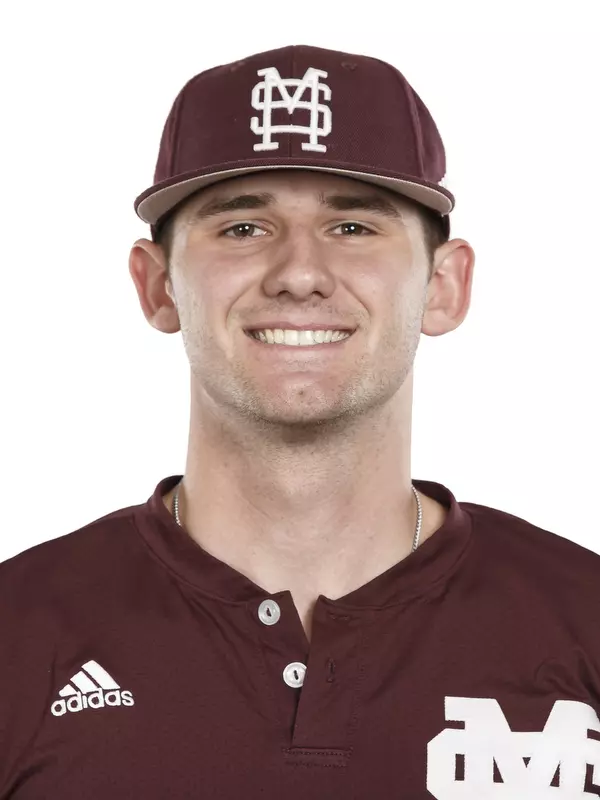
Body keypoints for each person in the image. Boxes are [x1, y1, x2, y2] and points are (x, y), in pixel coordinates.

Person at [1, 44, 599, 799]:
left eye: (353, 228)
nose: (299, 275)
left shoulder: (583, 621)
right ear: (157, 287)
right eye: (242, 228)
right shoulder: (16, 638)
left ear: (445, 286)